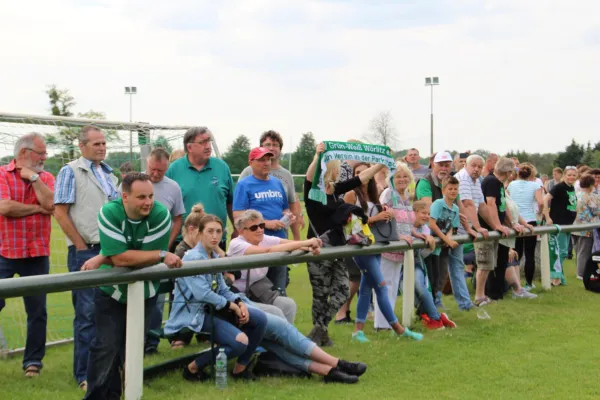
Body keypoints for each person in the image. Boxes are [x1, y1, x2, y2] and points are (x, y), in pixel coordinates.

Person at [81, 173, 183, 400]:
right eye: (141, 197)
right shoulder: (109, 212)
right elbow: (123, 259)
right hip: (111, 291)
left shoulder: (160, 215)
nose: (148, 202)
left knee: (132, 349)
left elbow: (140, 260)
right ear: (124, 197)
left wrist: (104, 257)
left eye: (150, 196)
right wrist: (160, 253)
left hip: (144, 292)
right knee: (105, 348)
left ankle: (120, 395)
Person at [164, 214, 268, 382]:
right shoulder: (193, 257)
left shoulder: (213, 256)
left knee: (260, 319)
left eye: (218, 232)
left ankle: (240, 370)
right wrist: (232, 307)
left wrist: (239, 302)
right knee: (240, 342)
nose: (215, 236)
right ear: (200, 233)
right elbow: (202, 294)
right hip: (194, 313)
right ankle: (192, 368)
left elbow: (223, 289)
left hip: (213, 309)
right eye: (210, 231)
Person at [53, 125, 119, 389]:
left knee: (111, 312)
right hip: (86, 251)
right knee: (87, 314)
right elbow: (59, 212)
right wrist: (81, 247)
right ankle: (84, 375)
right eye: (96, 144)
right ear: (82, 146)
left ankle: (111, 368)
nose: (102, 147)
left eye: (104, 143)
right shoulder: (70, 171)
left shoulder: (109, 174)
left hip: (111, 252)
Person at [304, 143, 385, 346]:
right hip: (318, 249)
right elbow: (310, 174)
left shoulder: (334, 190)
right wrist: (318, 155)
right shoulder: (313, 190)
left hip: (337, 248)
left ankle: (318, 329)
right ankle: (321, 335)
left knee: (341, 291)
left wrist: (379, 163)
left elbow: (361, 178)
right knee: (320, 295)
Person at [344, 164, 423, 343]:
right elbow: (350, 224)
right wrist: (374, 219)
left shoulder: (372, 195)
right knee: (381, 286)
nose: (362, 176)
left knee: (365, 288)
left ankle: (358, 331)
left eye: (366, 172)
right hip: (361, 247)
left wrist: (385, 217)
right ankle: (398, 329)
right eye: (358, 173)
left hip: (376, 245)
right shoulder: (351, 194)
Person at [0, 132, 55, 378]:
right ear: (24, 153)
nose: (44, 157)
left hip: (37, 253)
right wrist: (37, 209)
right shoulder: (1, 174)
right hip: (5, 251)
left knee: (37, 311)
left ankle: (33, 363)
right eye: (40, 153)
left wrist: (33, 177)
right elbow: (5, 207)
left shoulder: (45, 177)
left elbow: (51, 204)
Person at [228, 209, 322, 323]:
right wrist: (306, 242)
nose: (259, 230)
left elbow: (288, 244)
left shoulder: (262, 238)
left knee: (288, 304)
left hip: (257, 293)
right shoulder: (236, 244)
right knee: (275, 312)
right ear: (241, 231)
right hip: (238, 297)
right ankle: (284, 339)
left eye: (261, 225)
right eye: (254, 228)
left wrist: (310, 248)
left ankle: (286, 339)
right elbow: (268, 250)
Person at [233, 147, 295, 295]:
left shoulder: (277, 183)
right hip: (256, 245)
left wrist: (287, 217)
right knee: (259, 290)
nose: (266, 163)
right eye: (261, 160)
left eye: (268, 159)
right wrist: (266, 224)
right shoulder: (244, 185)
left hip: (279, 242)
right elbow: (238, 216)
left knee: (279, 289)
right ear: (251, 163)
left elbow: (285, 208)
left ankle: (282, 315)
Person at [143, 147, 186, 354]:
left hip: (160, 254)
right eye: (153, 169)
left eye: (161, 170)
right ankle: (131, 342)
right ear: (147, 163)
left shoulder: (173, 187)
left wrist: (167, 244)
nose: (156, 174)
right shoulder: (133, 183)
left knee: (157, 299)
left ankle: (151, 344)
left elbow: (178, 218)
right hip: (135, 251)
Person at [166, 126, 235, 250]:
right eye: (202, 142)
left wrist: (236, 229)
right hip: (184, 243)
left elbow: (231, 202)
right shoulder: (173, 169)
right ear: (189, 147)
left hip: (216, 241)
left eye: (208, 141)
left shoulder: (222, 167)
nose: (208, 146)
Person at [375, 162, 418, 329]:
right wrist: (398, 236)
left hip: (401, 249)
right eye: (398, 176)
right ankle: (381, 324)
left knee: (393, 285)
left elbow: (406, 221)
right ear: (391, 179)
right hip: (389, 246)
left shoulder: (406, 196)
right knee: (385, 284)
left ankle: (390, 321)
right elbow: (383, 219)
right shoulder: (388, 194)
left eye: (404, 176)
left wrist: (415, 233)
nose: (402, 179)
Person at [239, 130, 304, 240]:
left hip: (280, 236)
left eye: (275, 145)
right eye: (268, 144)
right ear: (261, 147)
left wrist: (297, 239)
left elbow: (291, 207)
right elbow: (239, 211)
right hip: (254, 237)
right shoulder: (248, 172)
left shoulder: (286, 175)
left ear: (280, 149)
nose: (272, 148)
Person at [479, 158, 528, 301]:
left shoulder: (499, 183)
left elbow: (503, 205)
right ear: (508, 172)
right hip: (490, 230)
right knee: (490, 264)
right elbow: (491, 204)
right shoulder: (491, 181)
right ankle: (492, 294)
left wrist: (512, 223)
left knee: (500, 262)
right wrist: (497, 225)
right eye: (513, 171)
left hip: (499, 229)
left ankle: (498, 294)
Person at [428, 176, 476, 311]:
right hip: (433, 243)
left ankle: (437, 301)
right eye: (450, 189)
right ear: (444, 190)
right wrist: (447, 239)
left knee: (443, 273)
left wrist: (448, 238)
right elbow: (432, 224)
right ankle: (431, 302)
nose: (453, 191)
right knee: (435, 273)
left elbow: (451, 227)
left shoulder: (455, 208)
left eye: (455, 189)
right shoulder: (438, 204)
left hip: (443, 244)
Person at [410, 201, 457, 329]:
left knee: (421, 287)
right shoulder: (406, 225)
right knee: (414, 297)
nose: (426, 216)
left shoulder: (425, 228)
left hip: (416, 263)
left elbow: (422, 254)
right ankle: (436, 316)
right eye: (423, 213)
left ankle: (435, 318)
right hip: (401, 265)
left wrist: (430, 248)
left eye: (429, 214)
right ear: (413, 213)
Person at [455, 155, 491, 306]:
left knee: (458, 266)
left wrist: (495, 227)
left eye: (479, 167)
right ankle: (464, 302)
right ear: (466, 165)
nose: (476, 169)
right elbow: (467, 204)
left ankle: (473, 299)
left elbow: (481, 206)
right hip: (458, 229)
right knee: (455, 267)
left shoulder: (477, 181)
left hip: (467, 229)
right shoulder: (463, 178)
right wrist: (477, 227)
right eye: (473, 166)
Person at [507, 163, 544, 290]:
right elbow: (540, 202)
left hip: (516, 220)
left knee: (516, 252)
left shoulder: (511, 184)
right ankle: (528, 283)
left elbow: (507, 200)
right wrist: (540, 211)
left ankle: (515, 282)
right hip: (530, 220)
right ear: (531, 174)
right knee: (530, 254)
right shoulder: (535, 185)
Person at [542, 166, 578, 286]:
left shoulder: (571, 188)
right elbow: (545, 198)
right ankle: (554, 277)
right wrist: (547, 217)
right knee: (561, 252)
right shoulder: (559, 187)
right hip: (559, 223)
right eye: (569, 175)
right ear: (564, 175)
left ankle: (559, 277)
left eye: (574, 175)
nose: (571, 177)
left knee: (562, 252)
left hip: (568, 224)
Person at [572, 174, 600, 279]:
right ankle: (581, 273)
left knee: (578, 250)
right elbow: (596, 211)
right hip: (587, 228)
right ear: (591, 184)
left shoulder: (576, 194)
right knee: (584, 251)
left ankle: (579, 271)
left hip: (574, 226)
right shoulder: (590, 196)